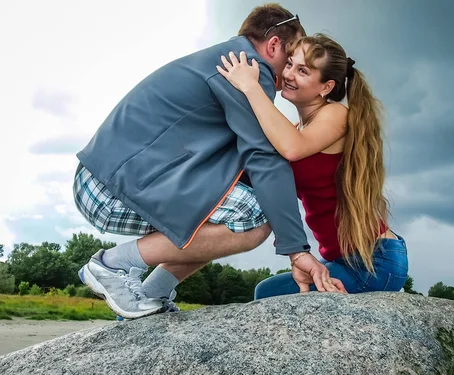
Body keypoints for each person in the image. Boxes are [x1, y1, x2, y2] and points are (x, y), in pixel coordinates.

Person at [75, 5, 344, 320]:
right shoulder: (247, 68)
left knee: (233, 211)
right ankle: (112, 265)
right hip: (110, 186)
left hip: (107, 180)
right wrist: (297, 249)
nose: (287, 73)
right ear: (273, 46)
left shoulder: (232, 60)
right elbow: (264, 159)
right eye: (291, 58)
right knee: (255, 217)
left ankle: (153, 292)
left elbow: (252, 161)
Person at [216, 33, 408, 299]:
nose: (289, 74)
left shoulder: (336, 115)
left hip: (373, 262)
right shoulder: (299, 129)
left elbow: (292, 148)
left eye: (303, 70)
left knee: (269, 294)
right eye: (290, 63)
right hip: (342, 261)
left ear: (326, 87)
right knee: (267, 291)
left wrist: (251, 87)